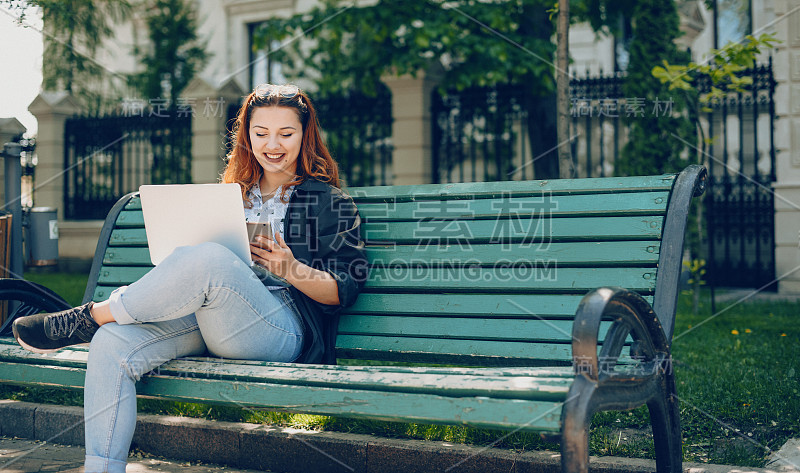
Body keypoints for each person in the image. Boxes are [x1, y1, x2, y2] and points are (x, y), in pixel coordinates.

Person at [12, 83, 368, 473]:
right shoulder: (232, 195)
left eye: (287, 133)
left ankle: (90, 316)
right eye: (261, 133)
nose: (273, 144)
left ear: (305, 135)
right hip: (213, 316)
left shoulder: (328, 201)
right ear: (247, 136)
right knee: (113, 343)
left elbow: (343, 290)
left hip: (281, 328)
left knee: (209, 259)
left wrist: (289, 268)